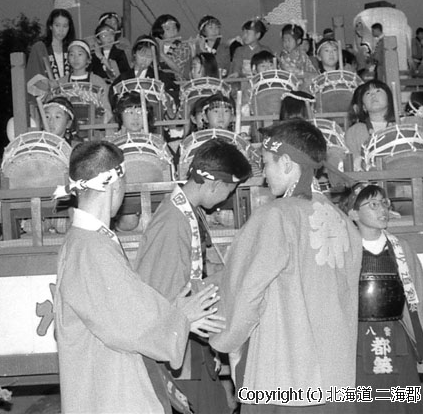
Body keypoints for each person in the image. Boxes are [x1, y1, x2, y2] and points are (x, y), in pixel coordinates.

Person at [54, 141, 225, 414]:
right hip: (111, 392)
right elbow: (129, 325)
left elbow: (127, 308)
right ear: (116, 184)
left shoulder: (86, 242)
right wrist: (180, 317)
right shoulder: (91, 248)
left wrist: (177, 315)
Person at [210, 119, 361, 412]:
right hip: (336, 377)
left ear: (288, 164)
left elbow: (245, 290)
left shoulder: (275, 217)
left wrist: (225, 338)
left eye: (266, 163)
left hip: (283, 376)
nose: (264, 175)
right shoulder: (344, 222)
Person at [134, 139, 252, 413]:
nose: (228, 197)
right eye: (230, 189)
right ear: (213, 185)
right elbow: (162, 297)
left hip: (188, 338)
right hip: (177, 344)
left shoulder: (185, 212)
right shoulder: (174, 223)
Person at [342, 184, 423, 412]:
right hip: (357, 339)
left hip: (397, 338)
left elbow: (419, 302)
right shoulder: (343, 251)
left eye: (384, 203)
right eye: (373, 204)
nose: (382, 209)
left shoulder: (401, 249)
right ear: (353, 214)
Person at [26, 8, 75, 99]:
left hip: (72, 98)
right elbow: (34, 79)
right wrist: (52, 89)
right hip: (48, 99)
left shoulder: (72, 48)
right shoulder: (39, 48)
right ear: (50, 26)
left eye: (65, 26)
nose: (61, 30)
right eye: (57, 25)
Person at [61, 39, 113, 124]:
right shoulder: (61, 82)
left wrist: (96, 122)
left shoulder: (98, 82)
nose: (75, 58)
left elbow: (107, 111)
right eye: (71, 54)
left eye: (80, 54)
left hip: (93, 129)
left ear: (88, 59)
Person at [345, 80, 396, 159]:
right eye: (367, 93)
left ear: (389, 100)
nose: (373, 95)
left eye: (378, 91)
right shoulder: (355, 131)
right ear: (363, 107)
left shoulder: (400, 125)